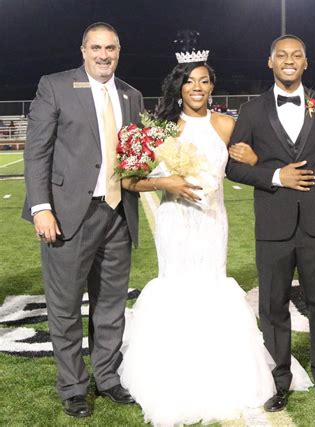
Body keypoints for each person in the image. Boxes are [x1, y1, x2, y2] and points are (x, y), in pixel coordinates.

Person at [118, 51, 312, 426]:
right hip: (176, 223)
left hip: (211, 223)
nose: (197, 87)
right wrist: (165, 182)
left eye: (204, 81)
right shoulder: (159, 127)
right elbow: (129, 180)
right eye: (190, 80)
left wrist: (257, 162)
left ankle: (223, 376)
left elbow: (244, 166)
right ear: (178, 85)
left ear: (212, 86)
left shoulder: (225, 124)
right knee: (178, 290)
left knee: (212, 288)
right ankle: (174, 379)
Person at [22, 22, 143, 417]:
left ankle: (107, 378)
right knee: (65, 306)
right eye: (96, 47)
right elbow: (37, 151)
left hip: (118, 213)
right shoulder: (54, 86)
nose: (103, 54)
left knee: (110, 306)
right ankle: (73, 385)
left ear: (119, 51)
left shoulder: (131, 95)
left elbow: (137, 157)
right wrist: (42, 207)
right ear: (83, 50)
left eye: (110, 48)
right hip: (67, 215)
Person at [226, 35, 315, 411]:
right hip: (273, 225)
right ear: (270, 62)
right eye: (282, 55)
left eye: (296, 55)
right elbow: (232, 166)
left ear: (306, 62)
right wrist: (276, 175)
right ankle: (278, 382)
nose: (289, 60)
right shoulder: (250, 111)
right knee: (273, 307)